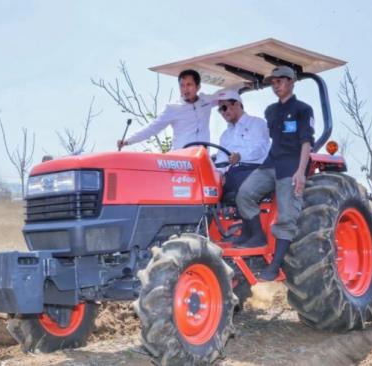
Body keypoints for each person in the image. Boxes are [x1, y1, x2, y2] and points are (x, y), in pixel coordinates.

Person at [235, 66, 315, 281]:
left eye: (280, 81)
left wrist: (301, 172)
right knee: (244, 194)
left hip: (291, 166)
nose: (276, 85)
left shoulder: (303, 109)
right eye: (273, 82)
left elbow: (306, 141)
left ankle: (275, 266)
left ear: (291, 82)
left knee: (287, 216)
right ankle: (257, 237)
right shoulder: (270, 111)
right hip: (271, 163)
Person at [118, 70, 216, 151]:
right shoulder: (173, 108)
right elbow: (152, 127)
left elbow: (228, 93)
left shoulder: (206, 101)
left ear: (198, 87)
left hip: (203, 159)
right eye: (182, 85)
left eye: (189, 84)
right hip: (182, 160)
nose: (185, 89)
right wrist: (128, 141)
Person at [213, 88, 271, 200]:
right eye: (220, 110)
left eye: (224, 107)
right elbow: (221, 159)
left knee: (235, 179)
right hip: (233, 174)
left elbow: (260, 148)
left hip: (255, 170)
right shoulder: (225, 135)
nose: (223, 112)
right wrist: (219, 174)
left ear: (237, 104)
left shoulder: (257, 123)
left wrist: (240, 156)